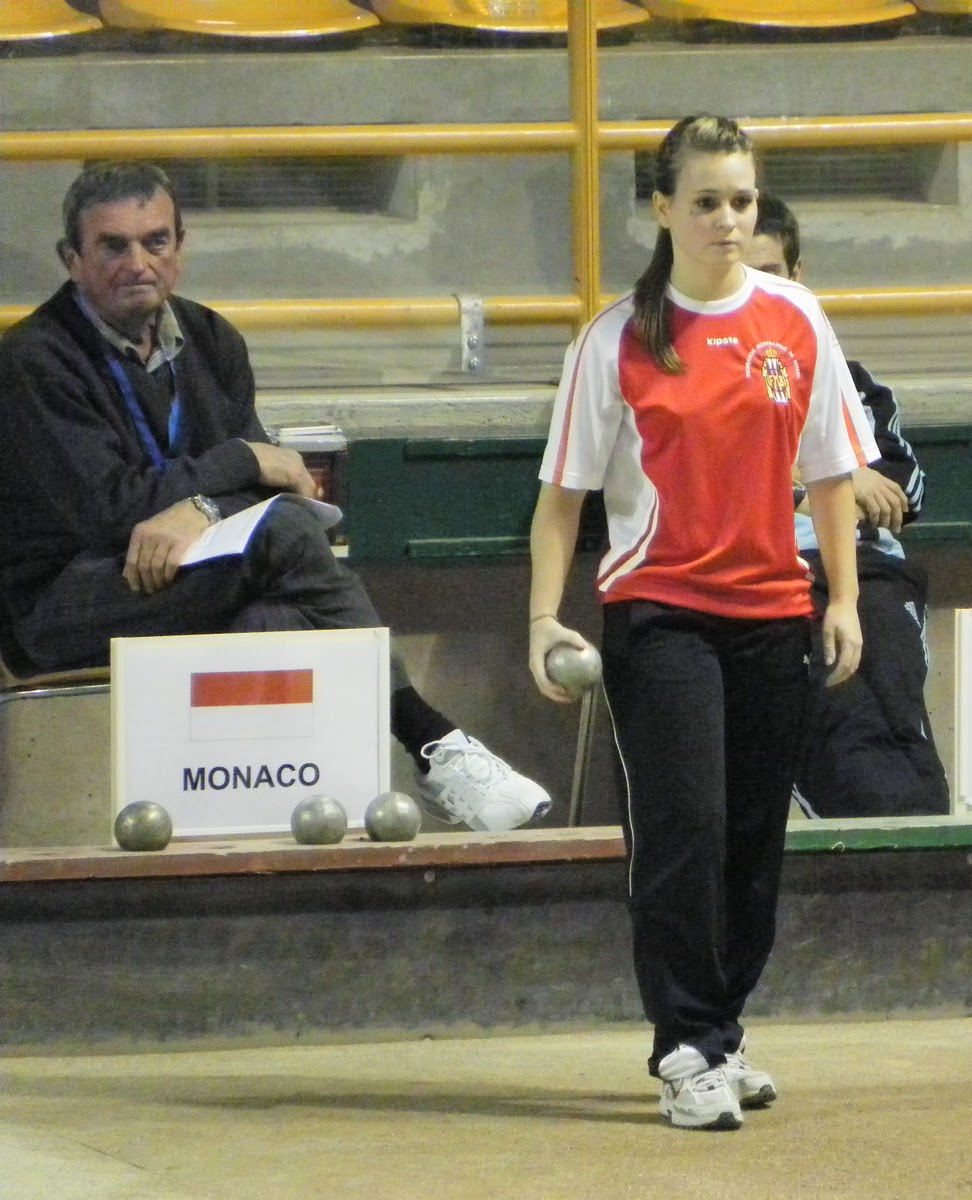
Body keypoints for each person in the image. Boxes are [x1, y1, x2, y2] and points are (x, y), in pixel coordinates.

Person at [0, 160, 549, 834]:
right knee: (289, 534)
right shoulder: (32, 361)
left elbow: (271, 484)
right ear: (72, 259)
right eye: (113, 246)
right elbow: (112, 512)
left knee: (287, 619)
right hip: (63, 602)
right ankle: (432, 743)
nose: (137, 262)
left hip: (178, 578)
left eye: (155, 241)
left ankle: (275, 862)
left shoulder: (210, 338)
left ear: (180, 246)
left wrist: (200, 508)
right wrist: (238, 459)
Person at [526, 115, 876, 1131]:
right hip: (660, 615)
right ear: (663, 208)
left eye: (743, 200)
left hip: (774, 614)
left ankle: (720, 1029)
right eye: (709, 201)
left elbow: (829, 473)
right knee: (684, 829)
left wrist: (842, 598)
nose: (729, 219)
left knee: (754, 842)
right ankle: (683, 1047)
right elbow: (561, 499)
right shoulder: (615, 338)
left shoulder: (798, 318)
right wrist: (543, 617)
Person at [746, 194, 951, 818]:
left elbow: (900, 494)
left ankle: (929, 855)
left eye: (771, 272)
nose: (758, 288)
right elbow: (718, 491)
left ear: (797, 277)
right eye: (743, 275)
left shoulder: (847, 379)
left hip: (873, 575)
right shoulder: (702, 376)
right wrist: (827, 481)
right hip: (771, 580)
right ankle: (867, 863)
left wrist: (839, 479)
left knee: (899, 716)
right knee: (840, 721)